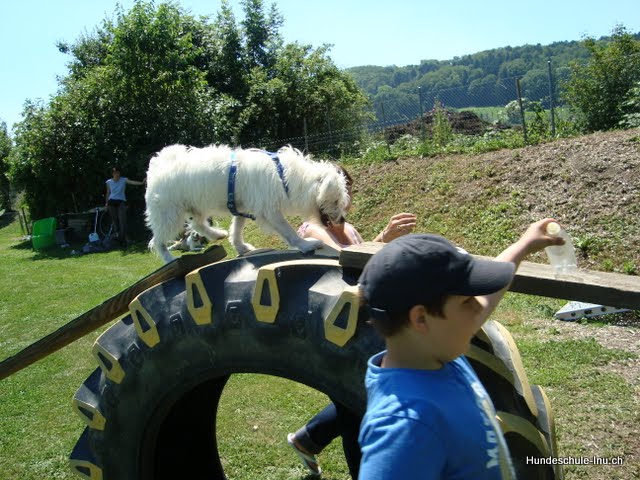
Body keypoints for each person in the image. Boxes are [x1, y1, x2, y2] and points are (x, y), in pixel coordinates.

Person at [357, 219, 564, 479]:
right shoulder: (405, 426)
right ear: (420, 319)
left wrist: (524, 245)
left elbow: (485, 300)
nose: (479, 307)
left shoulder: (439, 350)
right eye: (467, 301)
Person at [287, 165, 417, 478]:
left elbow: (359, 259)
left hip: (356, 323)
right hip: (332, 327)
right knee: (355, 404)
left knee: (354, 399)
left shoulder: (347, 228)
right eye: (341, 191)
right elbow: (345, 266)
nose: (347, 197)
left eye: (348, 190)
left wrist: (384, 238)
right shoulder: (312, 230)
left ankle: (309, 439)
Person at [105, 165, 144, 244]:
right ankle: (118, 238)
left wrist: (141, 183)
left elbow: (132, 182)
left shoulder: (123, 180)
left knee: (122, 220)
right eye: (115, 173)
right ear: (112, 174)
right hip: (111, 202)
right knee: (115, 221)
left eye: (118, 172)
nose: (116, 174)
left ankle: (126, 238)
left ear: (119, 173)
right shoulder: (109, 182)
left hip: (121, 201)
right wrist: (106, 204)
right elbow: (108, 193)